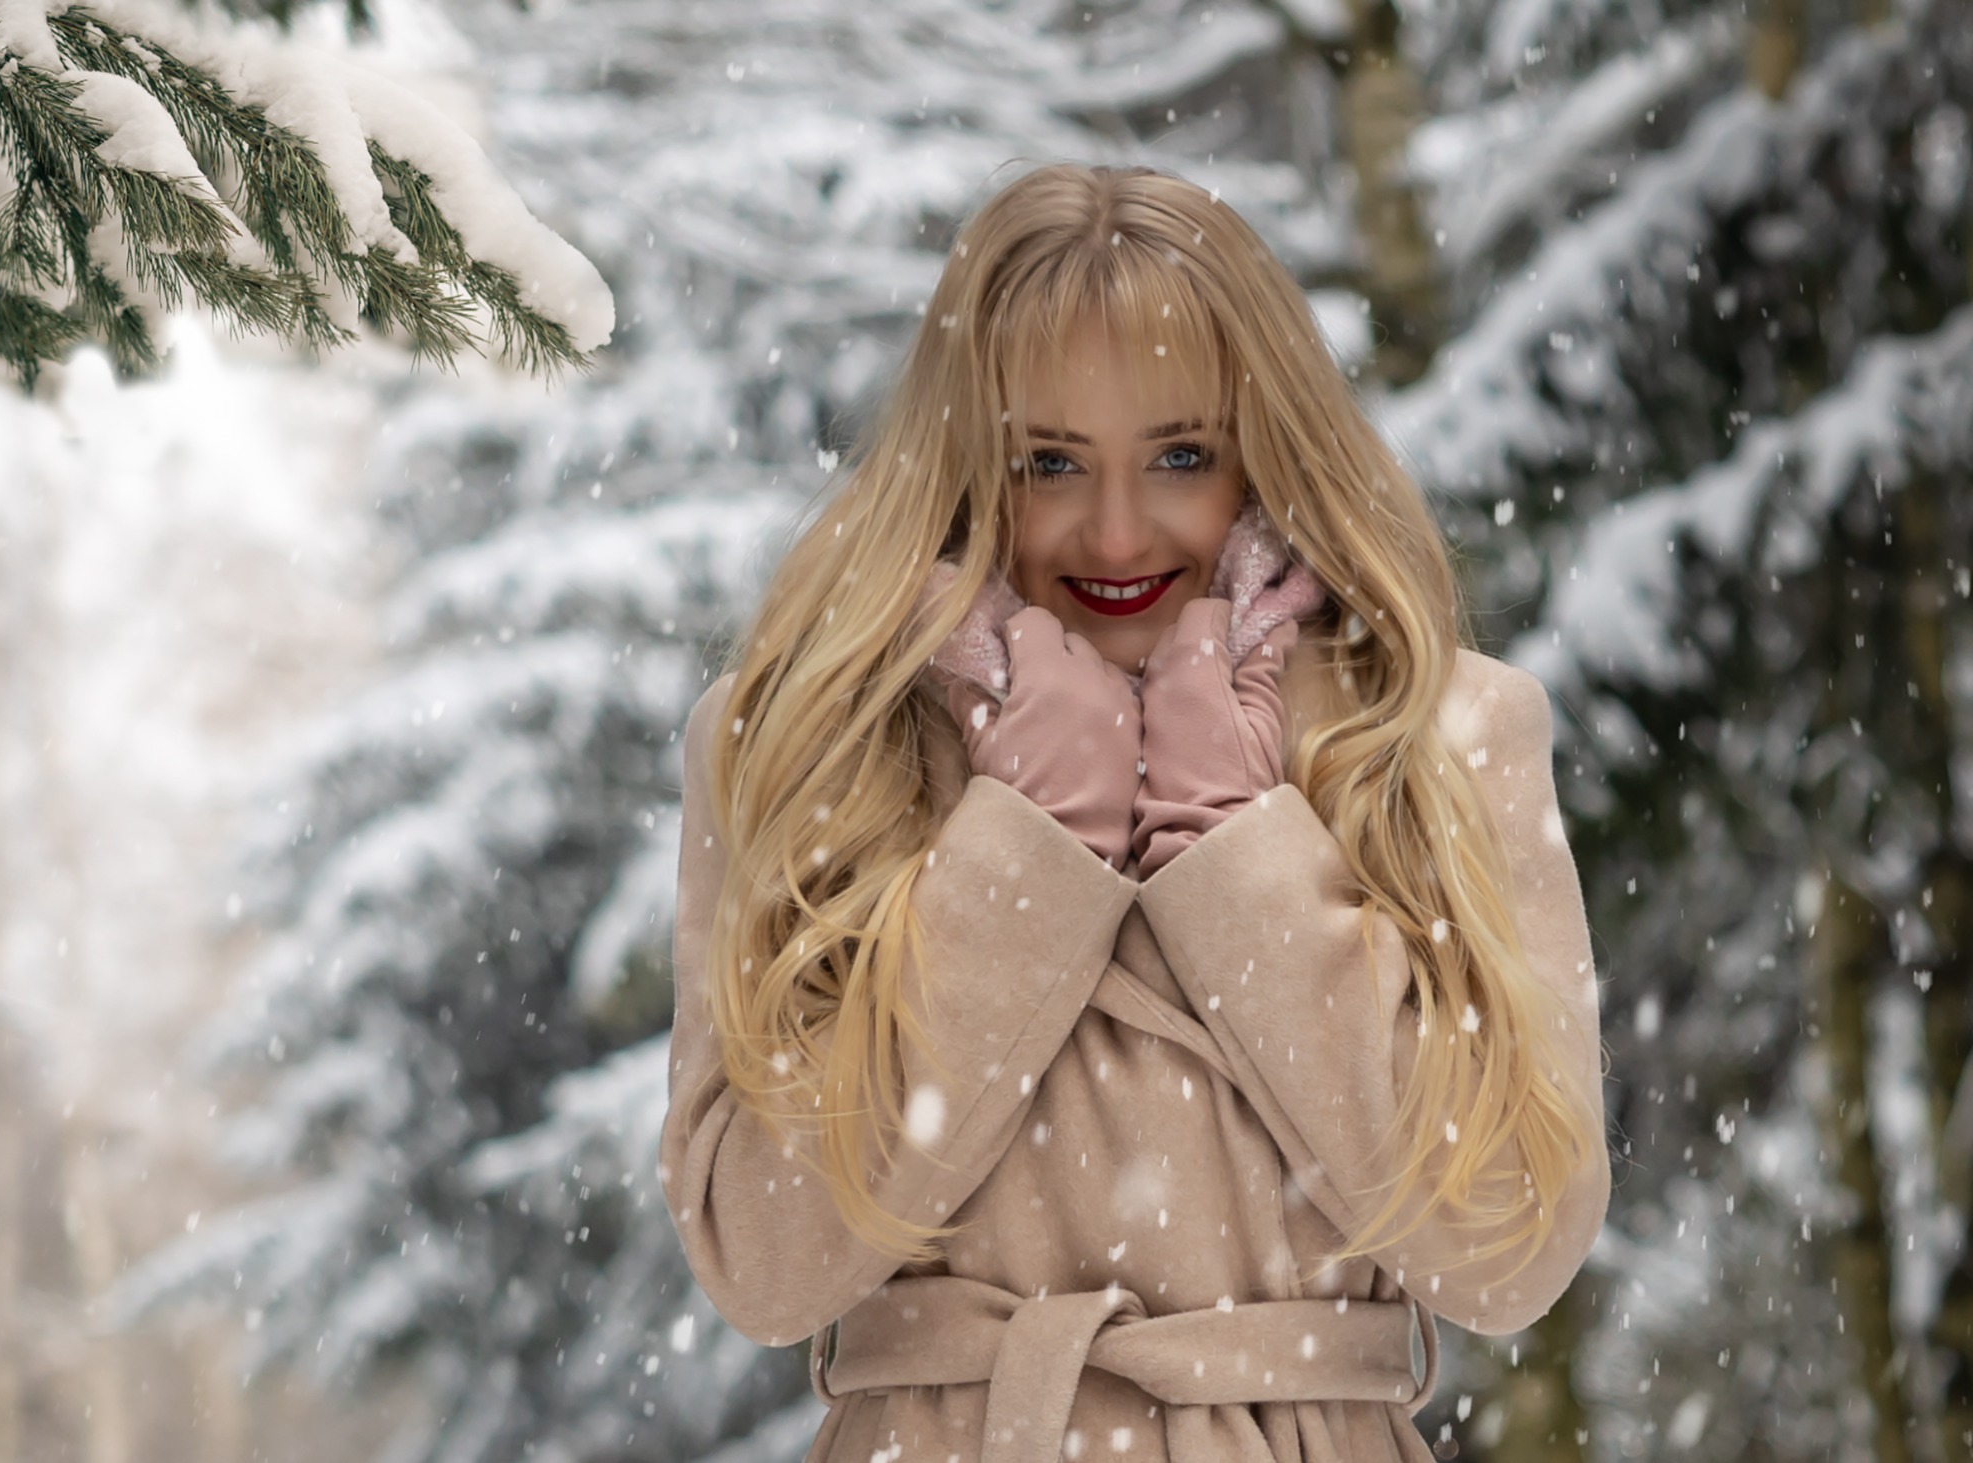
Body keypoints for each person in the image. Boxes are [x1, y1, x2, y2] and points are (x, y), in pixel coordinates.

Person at [660, 163, 1609, 1463]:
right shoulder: (808, 743)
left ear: (1265, 451)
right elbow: (762, 1259)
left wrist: (1241, 848)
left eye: (1178, 455)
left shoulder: (1437, 737)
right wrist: (1023, 849)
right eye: (1049, 459)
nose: (1115, 532)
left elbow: (1508, 1243)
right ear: (970, 464)